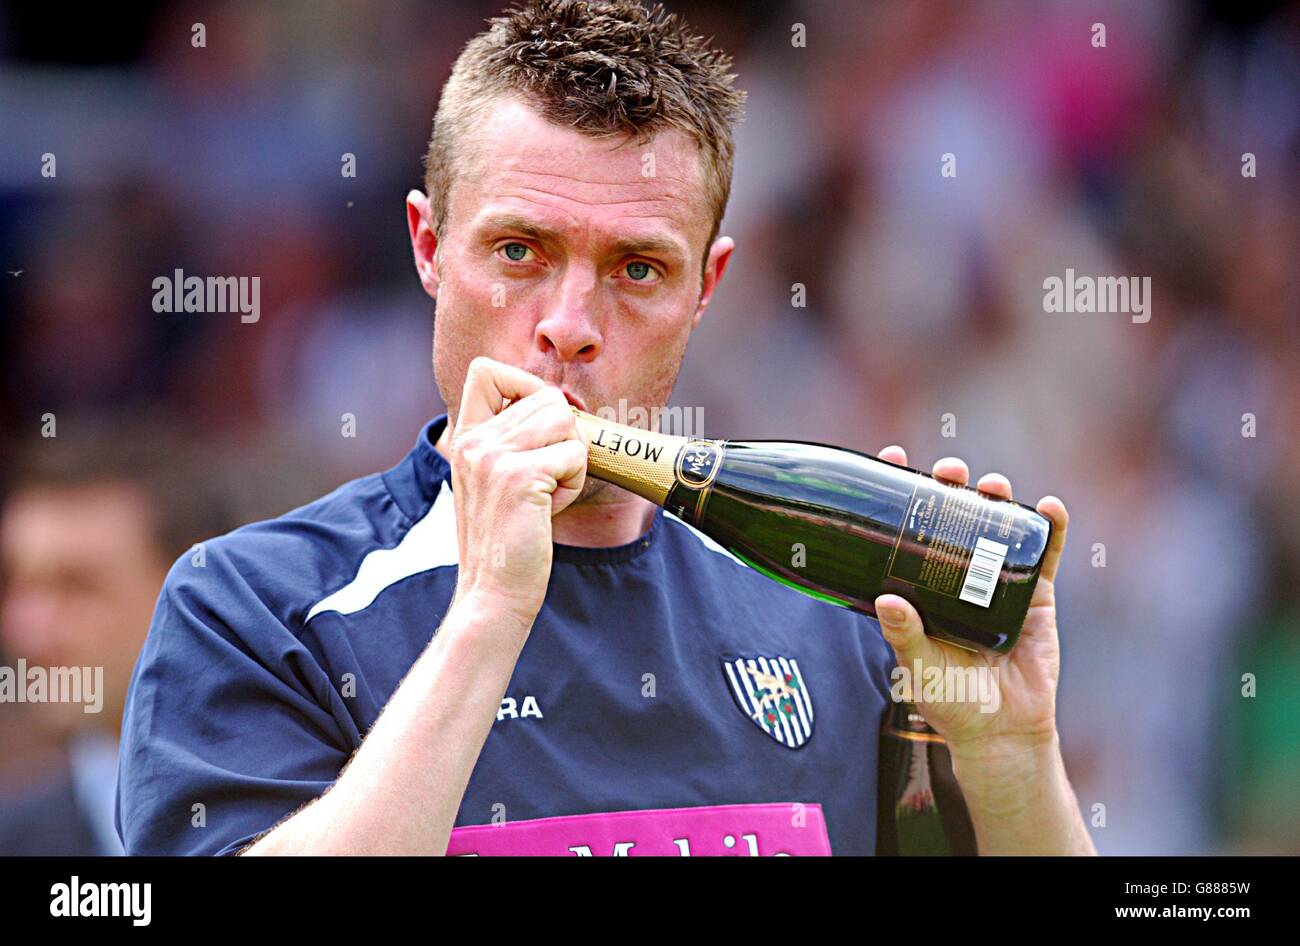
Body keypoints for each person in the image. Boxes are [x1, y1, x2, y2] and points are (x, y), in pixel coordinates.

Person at [117, 0, 1095, 856]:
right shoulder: (253, 608)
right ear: (427, 247)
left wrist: (1013, 757)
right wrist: (488, 615)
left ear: (705, 288)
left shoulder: (839, 607)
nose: (570, 326)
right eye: (517, 250)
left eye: (636, 269)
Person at [0, 419, 229, 854]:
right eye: (17, 584)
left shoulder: (331, 799)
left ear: (199, 592)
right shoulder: (13, 839)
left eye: (78, 586)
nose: (29, 629)